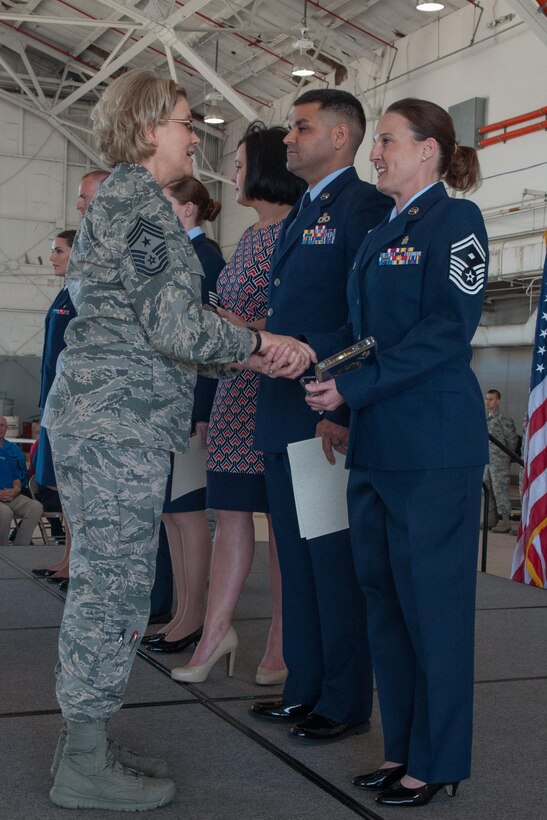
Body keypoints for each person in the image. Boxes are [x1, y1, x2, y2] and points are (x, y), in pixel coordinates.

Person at [42, 68, 313, 812]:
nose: (196, 135)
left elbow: (163, 329)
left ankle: (86, 741)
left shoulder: (131, 201)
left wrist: (251, 346)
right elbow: (173, 327)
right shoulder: (138, 200)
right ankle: (82, 765)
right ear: (150, 123)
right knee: (112, 591)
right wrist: (263, 341)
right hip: (115, 425)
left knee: (109, 585)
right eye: (187, 120)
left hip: (112, 418)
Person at [306, 97, 488, 807]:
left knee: (433, 609)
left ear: (429, 150)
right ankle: (403, 751)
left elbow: (448, 329)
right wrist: (339, 391)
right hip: (378, 443)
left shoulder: (456, 221)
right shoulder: (386, 228)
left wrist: (359, 386)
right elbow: (367, 332)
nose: (375, 152)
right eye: (375, 141)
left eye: (386, 141)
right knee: (384, 601)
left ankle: (437, 762)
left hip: (431, 446)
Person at [250, 90, 392, 740]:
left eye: (300, 127)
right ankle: (304, 685)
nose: (288, 139)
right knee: (296, 560)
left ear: (340, 136)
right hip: (283, 408)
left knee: (332, 564)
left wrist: (342, 396)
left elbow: (365, 313)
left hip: (322, 410)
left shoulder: (361, 207)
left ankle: (341, 699)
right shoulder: (303, 208)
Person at [170, 123, 305, 685]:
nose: (235, 174)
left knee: (277, 523)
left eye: (243, 163)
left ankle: (280, 642)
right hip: (233, 393)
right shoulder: (249, 237)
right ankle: (213, 634)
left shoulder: (295, 233)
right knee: (229, 519)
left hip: (276, 393)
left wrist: (230, 327)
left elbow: (300, 326)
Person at [145, 176, 225, 652]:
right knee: (173, 514)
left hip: (192, 403)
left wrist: (204, 405)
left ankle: (194, 616)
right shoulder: (180, 256)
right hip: (171, 402)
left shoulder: (205, 259)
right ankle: (180, 612)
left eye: (166, 206)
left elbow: (207, 339)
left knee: (188, 512)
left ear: (189, 209)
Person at [33, 171, 110, 584]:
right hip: (57, 399)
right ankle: (68, 558)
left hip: (82, 404)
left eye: (59, 250)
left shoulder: (86, 287)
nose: (52, 257)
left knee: (78, 492)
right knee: (63, 488)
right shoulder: (68, 292)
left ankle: (77, 563)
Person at [0, 415, 43, 545]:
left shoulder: (11, 451)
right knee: (5, 513)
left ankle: (20, 547)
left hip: (12, 495)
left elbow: (17, 476)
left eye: (2, 425)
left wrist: (16, 489)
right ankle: (3, 551)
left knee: (36, 507)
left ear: (7, 429)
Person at [483, 389, 518, 533]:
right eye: (486, 399)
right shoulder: (485, 419)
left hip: (499, 462)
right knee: (488, 490)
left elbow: (512, 440)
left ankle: (505, 522)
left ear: (498, 401)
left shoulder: (503, 419)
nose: (488, 402)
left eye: (491, 399)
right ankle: (491, 519)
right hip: (487, 461)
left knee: (500, 491)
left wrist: (506, 457)